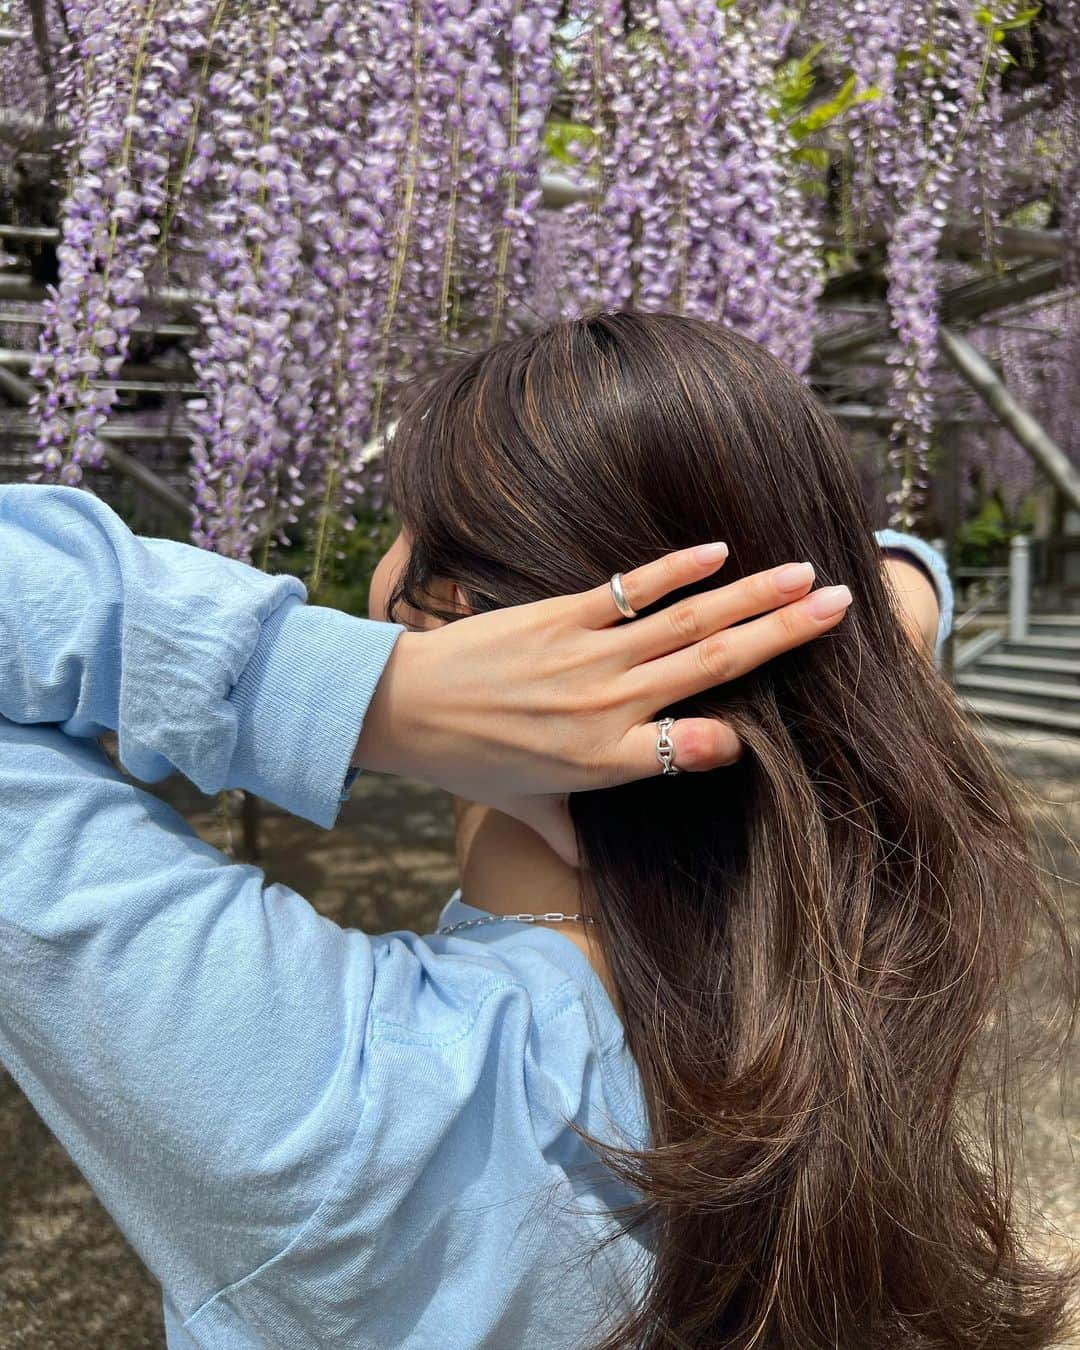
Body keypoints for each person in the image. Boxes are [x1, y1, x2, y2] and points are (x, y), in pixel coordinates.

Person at [0, 310, 1072, 1349]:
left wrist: (347, 697)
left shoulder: (328, 1084)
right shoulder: (831, 938)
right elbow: (894, 563)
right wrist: (875, 624)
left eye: (403, 526)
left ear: (455, 605)